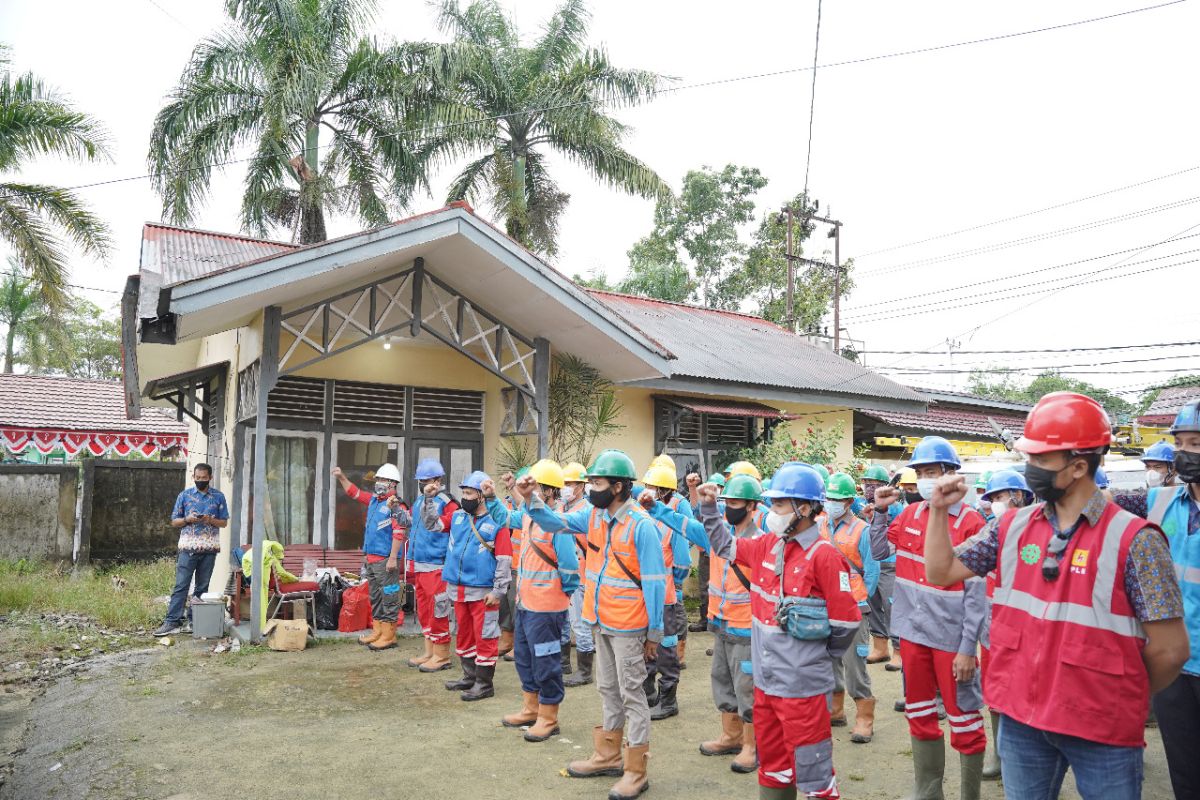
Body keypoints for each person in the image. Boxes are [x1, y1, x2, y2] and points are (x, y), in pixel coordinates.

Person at [923, 392, 1189, 800]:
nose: (1029, 469)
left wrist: (1116, 695)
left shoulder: (1136, 540)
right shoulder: (1011, 527)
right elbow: (941, 572)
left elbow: (1170, 650)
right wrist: (938, 511)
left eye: (1040, 461)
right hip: (1021, 721)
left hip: (1102, 728)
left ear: (1079, 466)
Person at [700, 463, 861, 799]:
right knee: (773, 768)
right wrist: (708, 508)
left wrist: (812, 658)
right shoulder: (766, 546)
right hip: (766, 684)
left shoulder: (825, 557)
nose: (770, 512)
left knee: (815, 777)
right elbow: (724, 547)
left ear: (804, 508)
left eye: (778, 505)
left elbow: (846, 623)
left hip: (802, 690)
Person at [520, 449, 665, 800]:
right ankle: (608, 755)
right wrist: (530, 499)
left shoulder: (641, 525)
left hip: (630, 626)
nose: (590, 489)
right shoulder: (594, 516)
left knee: (633, 695)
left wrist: (655, 633)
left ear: (618, 487)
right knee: (607, 690)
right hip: (600, 620)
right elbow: (556, 523)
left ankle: (636, 770)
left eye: (597, 483)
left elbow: (655, 582)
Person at [870, 437, 988, 800]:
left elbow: (977, 595)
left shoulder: (972, 523)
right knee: (919, 713)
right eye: (920, 472)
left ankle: (970, 794)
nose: (924, 479)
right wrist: (879, 512)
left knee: (964, 718)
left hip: (952, 642)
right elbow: (877, 551)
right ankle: (928, 790)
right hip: (913, 635)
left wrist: (968, 648)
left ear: (952, 475)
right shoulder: (910, 514)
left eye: (932, 472)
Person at [644, 471, 763, 775]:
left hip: (747, 628)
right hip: (721, 624)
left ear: (752, 505)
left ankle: (752, 746)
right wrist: (656, 509)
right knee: (722, 681)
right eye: (727, 502)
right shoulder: (719, 533)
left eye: (736, 502)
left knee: (747, 688)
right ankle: (732, 735)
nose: (729, 507)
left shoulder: (761, 540)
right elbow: (686, 525)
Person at [490, 459, 580, 741]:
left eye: (537, 486)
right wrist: (492, 497)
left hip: (547, 607)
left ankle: (548, 717)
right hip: (526, 605)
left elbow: (569, 568)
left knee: (547, 662)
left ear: (550, 492)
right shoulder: (529, 516)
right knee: (525, 659)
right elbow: (504, 519)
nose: (532, 490)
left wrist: (560, 596)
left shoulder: (557, 524)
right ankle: (530, 709)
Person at [1144, 401, 1200, 800]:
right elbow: (1098, 504)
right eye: (1180, 443)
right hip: (1173, 663)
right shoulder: (1159, 503)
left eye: (1195, 443)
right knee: (1184, 770)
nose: (1184, 453)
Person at [962, 468, 1033, 780]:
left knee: (1030, 695)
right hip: (993, 632)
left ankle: (1031, 763)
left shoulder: (1039, 531)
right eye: (992, 498)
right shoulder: (990, 533)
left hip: (1029, 633)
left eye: (1000, 496)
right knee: (995, 695)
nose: (994, 503)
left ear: (1019, 496)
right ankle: (1001, 756)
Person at [426, 470, 511, 702]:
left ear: (482, 496)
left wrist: (498, 591)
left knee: (484, 636)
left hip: (484, 592)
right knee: (463, 634)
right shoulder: (458, 517)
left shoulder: (496, 524)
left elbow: (504, 559)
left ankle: (484, 684)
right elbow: (432, 525)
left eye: (469, 493)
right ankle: (469, 677)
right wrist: (429, 500)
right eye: (463, 492)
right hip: (457, 588)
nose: (465, 497)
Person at [822, 472, 879, 744]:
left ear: (847, 501)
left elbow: (872, 570)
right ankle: (835, 710)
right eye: (828, 498)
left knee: (854, 664)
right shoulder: (820, 525)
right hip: (826, 605)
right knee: (829, 660)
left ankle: (864, 717)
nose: (831, 503)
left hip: (854, 606)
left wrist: (862, 599)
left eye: (836, 499)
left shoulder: (861, 529)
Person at [331, 463, 410, 650]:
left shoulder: (396, 505)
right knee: (375, 596)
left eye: (383, 480)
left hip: (386, 560)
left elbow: (399, 533)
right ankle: (377, 631)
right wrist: (342, 477)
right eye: (378, 479)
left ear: (393, 484)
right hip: (372, 559)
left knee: (388, 596)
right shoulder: (375, 500)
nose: (379, 483)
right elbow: (355, 493)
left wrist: (392, 559)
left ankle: (389, 635)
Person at [639, 461, 693, 721]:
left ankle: (669, 699)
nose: (646, 490)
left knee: (667, 648)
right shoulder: (646, 516)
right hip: (646, 596)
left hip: (667, 597)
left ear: (662, 490)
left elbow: (682, 562)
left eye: (651, 487)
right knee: (647, 645)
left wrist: (674, 581)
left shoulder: (673, 519)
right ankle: (649, 693)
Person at [156, 463, 229, 637]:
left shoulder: (219, 497)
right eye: (198, 478)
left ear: (210, 477)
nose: (201, 481)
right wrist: (188, 520)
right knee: (181, 585)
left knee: (202, 588)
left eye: (204, 478)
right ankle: (171, 621)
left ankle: (194, 621)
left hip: (210, 549)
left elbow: (224, 522)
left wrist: (210, 519)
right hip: (187, 548)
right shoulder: (184, 496)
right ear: (193, 477)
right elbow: (174, 521)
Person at [406, 458, 459, 672]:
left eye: (426, 480)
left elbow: (453, 531)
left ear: (437, 480)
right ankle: (429, 651)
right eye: (420, 480)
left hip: (437, 565)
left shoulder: (448, 502)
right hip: (419, 564)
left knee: (438, 610)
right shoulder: (420, 501)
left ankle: (442, 655)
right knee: (425, 610)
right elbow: (409, 523)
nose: (422, 484)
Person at [561, 461, 596, 687]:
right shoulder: (563, 509)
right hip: (564, 575)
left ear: (581, 486)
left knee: (579, 624)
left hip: (580, 576)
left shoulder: (585, 511)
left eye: (570, 483)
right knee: (563, 622)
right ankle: (564, 663)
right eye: (563, 483)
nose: (565, 487)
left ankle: (585, 671)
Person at [859, 465, 897, 665]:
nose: (869, 490)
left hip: (891, 565)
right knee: (872, 606)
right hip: (871, 564)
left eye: (874, 485)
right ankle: (880, 647)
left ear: (885, 486)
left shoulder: (895, 507)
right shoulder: (862, 506)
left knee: (892, 607)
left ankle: (898, 650)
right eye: (866, 484)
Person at [689, 471, 728, 634]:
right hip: (706, 552)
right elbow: (695, 511)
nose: (715, 489)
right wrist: (692, 488)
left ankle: (717, 621)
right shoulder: (707, 504)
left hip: (722, 554)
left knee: (721, 587)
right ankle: (705, 619)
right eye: (712, 486)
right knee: (705, 587)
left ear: (722, 488)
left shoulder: (727, 505)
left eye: (717, 487)